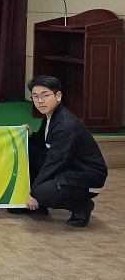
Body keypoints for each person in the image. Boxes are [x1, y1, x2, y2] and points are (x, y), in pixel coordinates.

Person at [11, 75, 107, 227]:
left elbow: (54, 162)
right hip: (68, 166)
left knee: (42, 192)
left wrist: (33, 194)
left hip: (87, 176)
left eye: (45, 95)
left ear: (58, 96)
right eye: (35, 96)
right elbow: (43, 144)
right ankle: (39, 206)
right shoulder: (50, 116)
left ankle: (81, 205)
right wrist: (29, 136)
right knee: (28, 148)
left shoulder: (65, 125)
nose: (40, 101)